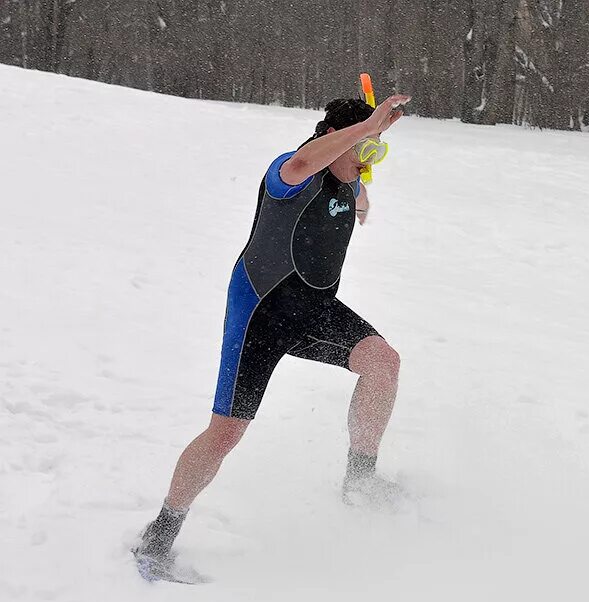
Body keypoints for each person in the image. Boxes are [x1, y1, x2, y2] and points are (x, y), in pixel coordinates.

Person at [134, 93, 412, 564]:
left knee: (383, 362)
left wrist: (363, 188)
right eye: (365, 147)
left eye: (378, 149)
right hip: (260, 315)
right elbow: (306, 161)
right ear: (333, 138)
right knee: (226, 432)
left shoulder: (349, 179)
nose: (370, 159)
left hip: (314, 310)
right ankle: (158, 537)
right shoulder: (290, 171)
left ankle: (360, 479)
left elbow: (357, 193)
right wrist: (364, 131)